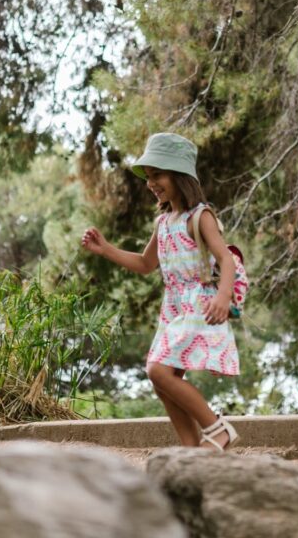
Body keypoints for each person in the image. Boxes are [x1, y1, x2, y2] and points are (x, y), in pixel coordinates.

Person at [81, 133, 241, 449]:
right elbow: (144, 263)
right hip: (174, 309)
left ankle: (218, 429)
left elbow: (225, 259)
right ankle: (190, 447)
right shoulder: (164, 222)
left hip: (198, 303)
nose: (150, 182)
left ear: (180, 176)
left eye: (158, 175)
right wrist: (106, 250)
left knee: (157, 370)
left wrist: (223, 296)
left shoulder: (201, 216)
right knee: (164, 382)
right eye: (149, 176)